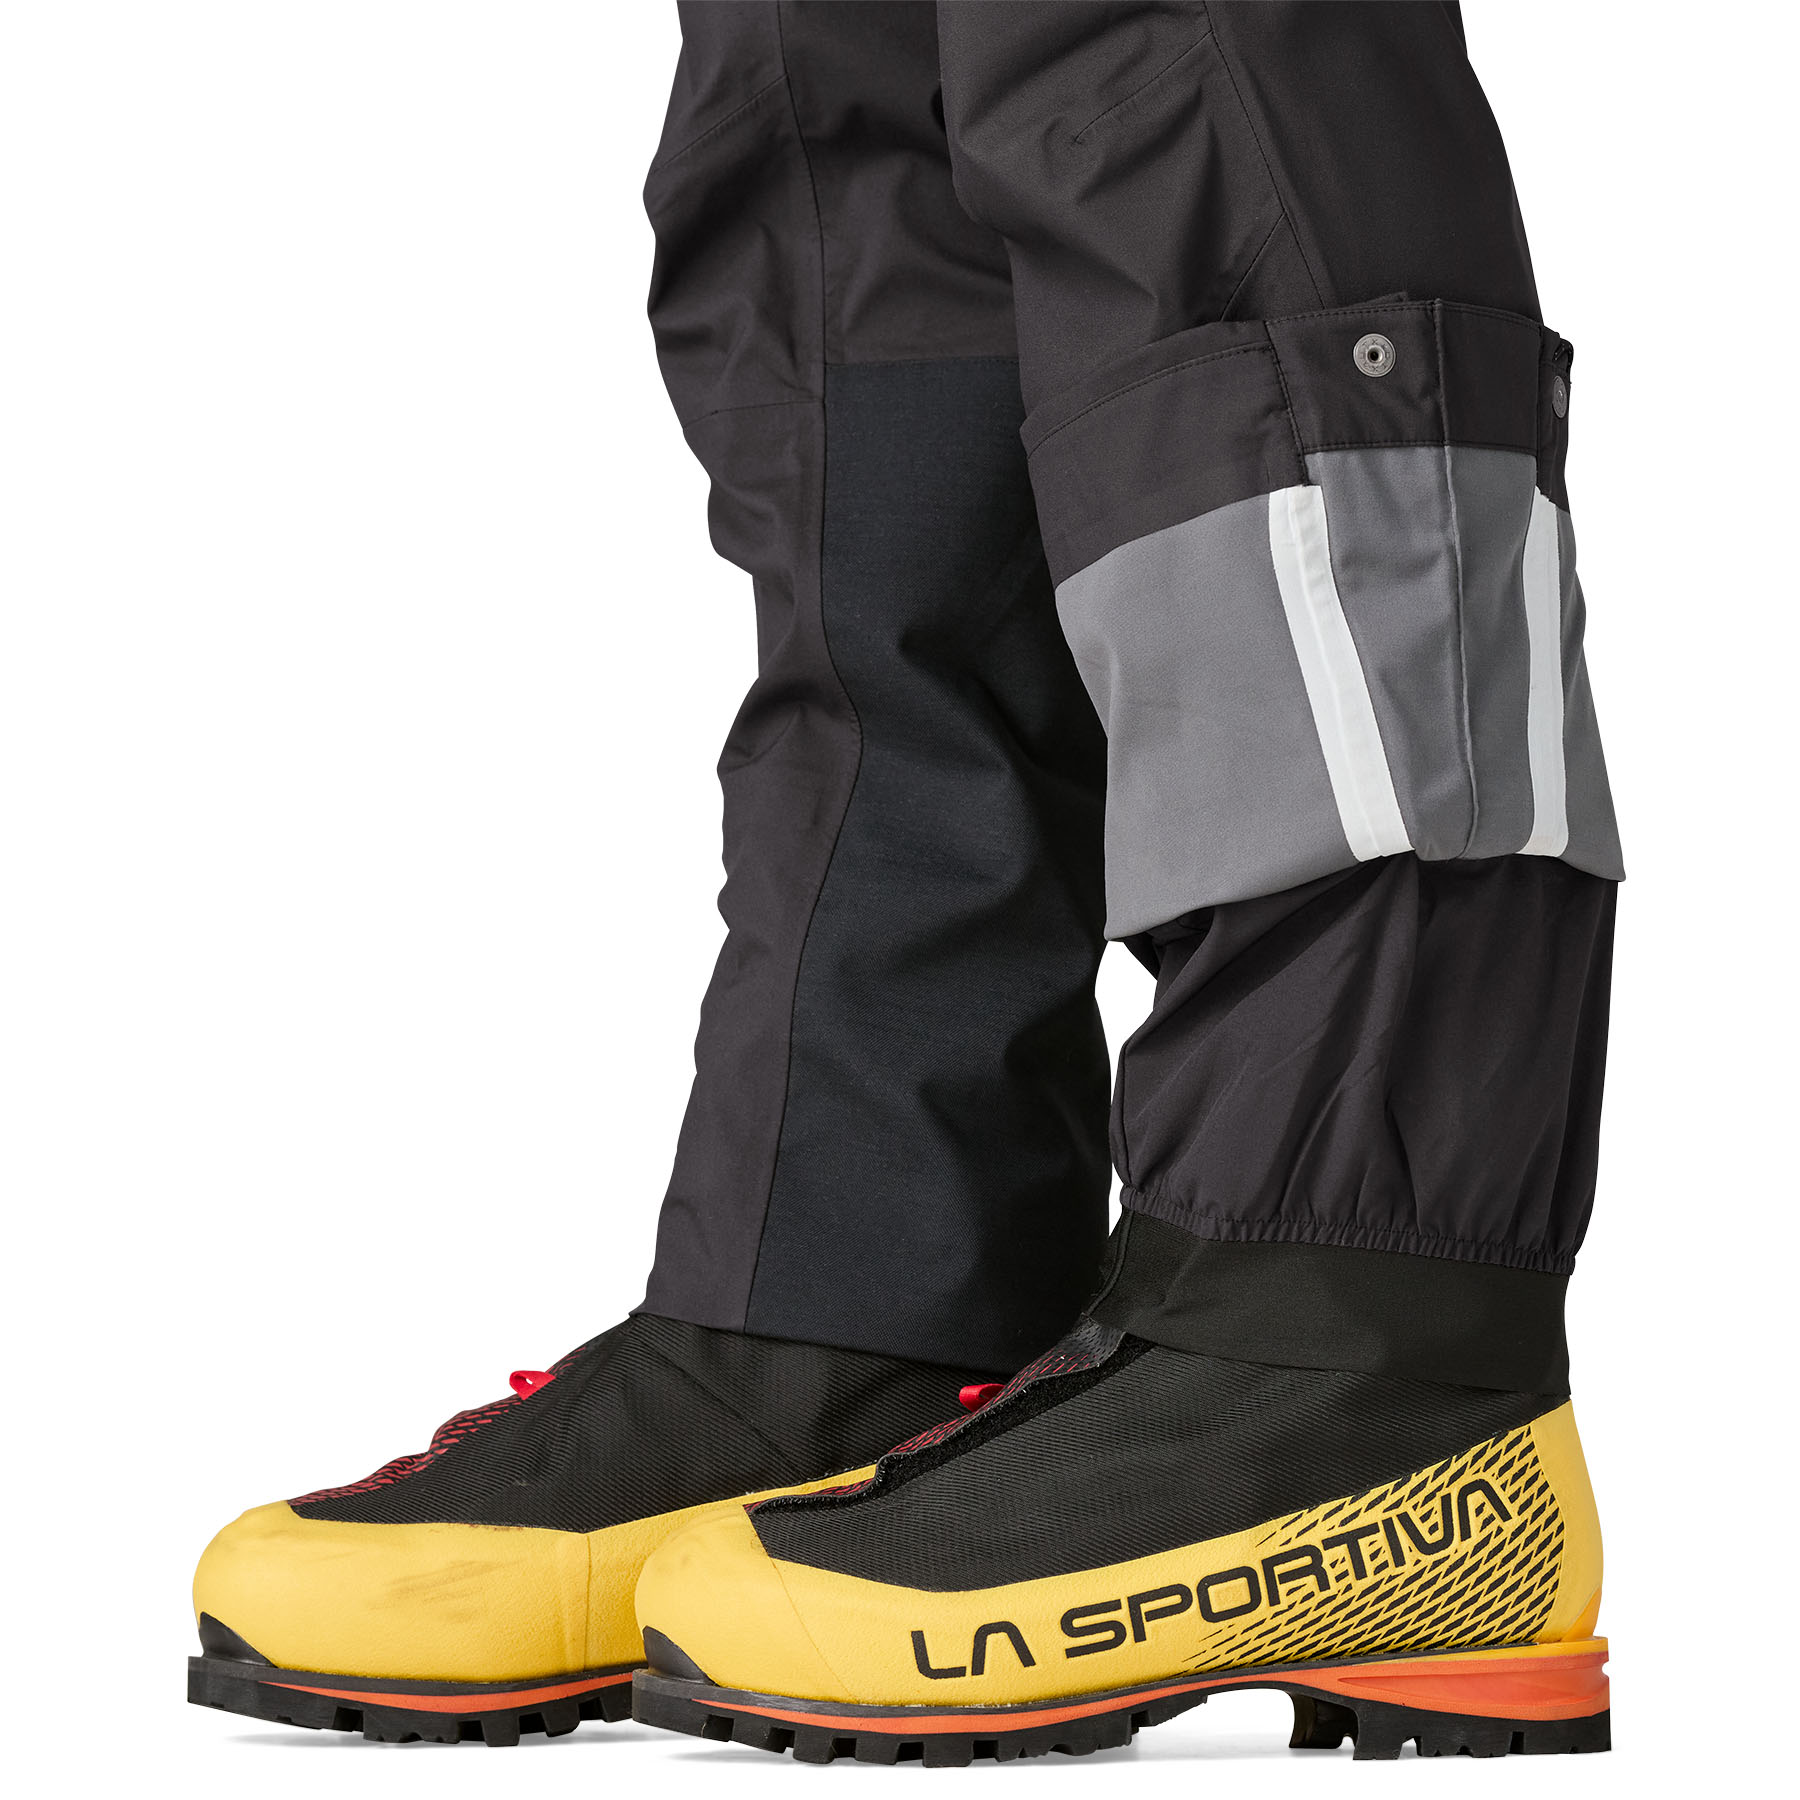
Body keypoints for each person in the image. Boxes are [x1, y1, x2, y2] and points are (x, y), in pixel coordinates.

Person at [189, 2, 1619, 1761]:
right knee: (854, 171)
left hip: (1365, 1303)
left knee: (1180, 84)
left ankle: (1357, 1353)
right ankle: (874, 1301)